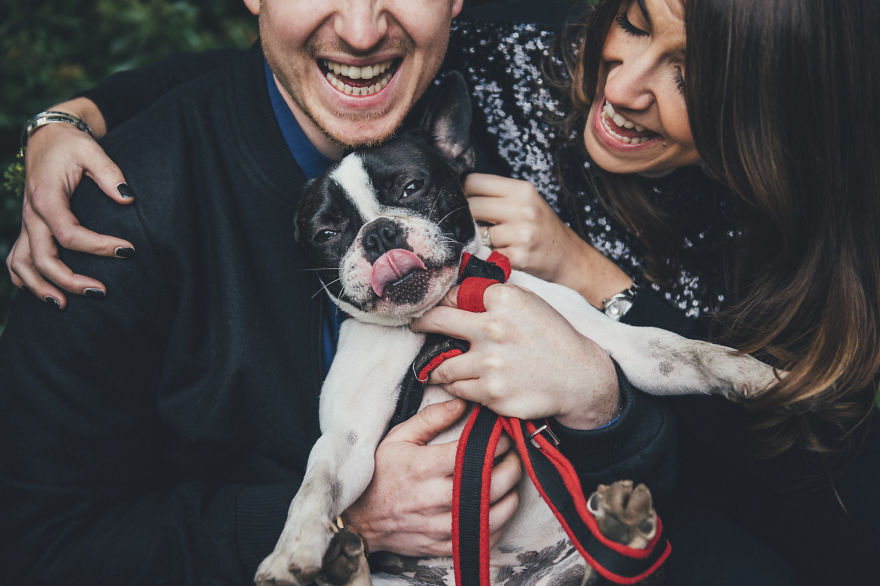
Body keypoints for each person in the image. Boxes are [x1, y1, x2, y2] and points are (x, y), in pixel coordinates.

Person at [10, 0, 879, 584]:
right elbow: (41, 538)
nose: (621, 86)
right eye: (634, 23)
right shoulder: (120, 215)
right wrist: (66, 119)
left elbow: (810, 512)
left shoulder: (803, 238)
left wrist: (599, 345)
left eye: (691, 75)